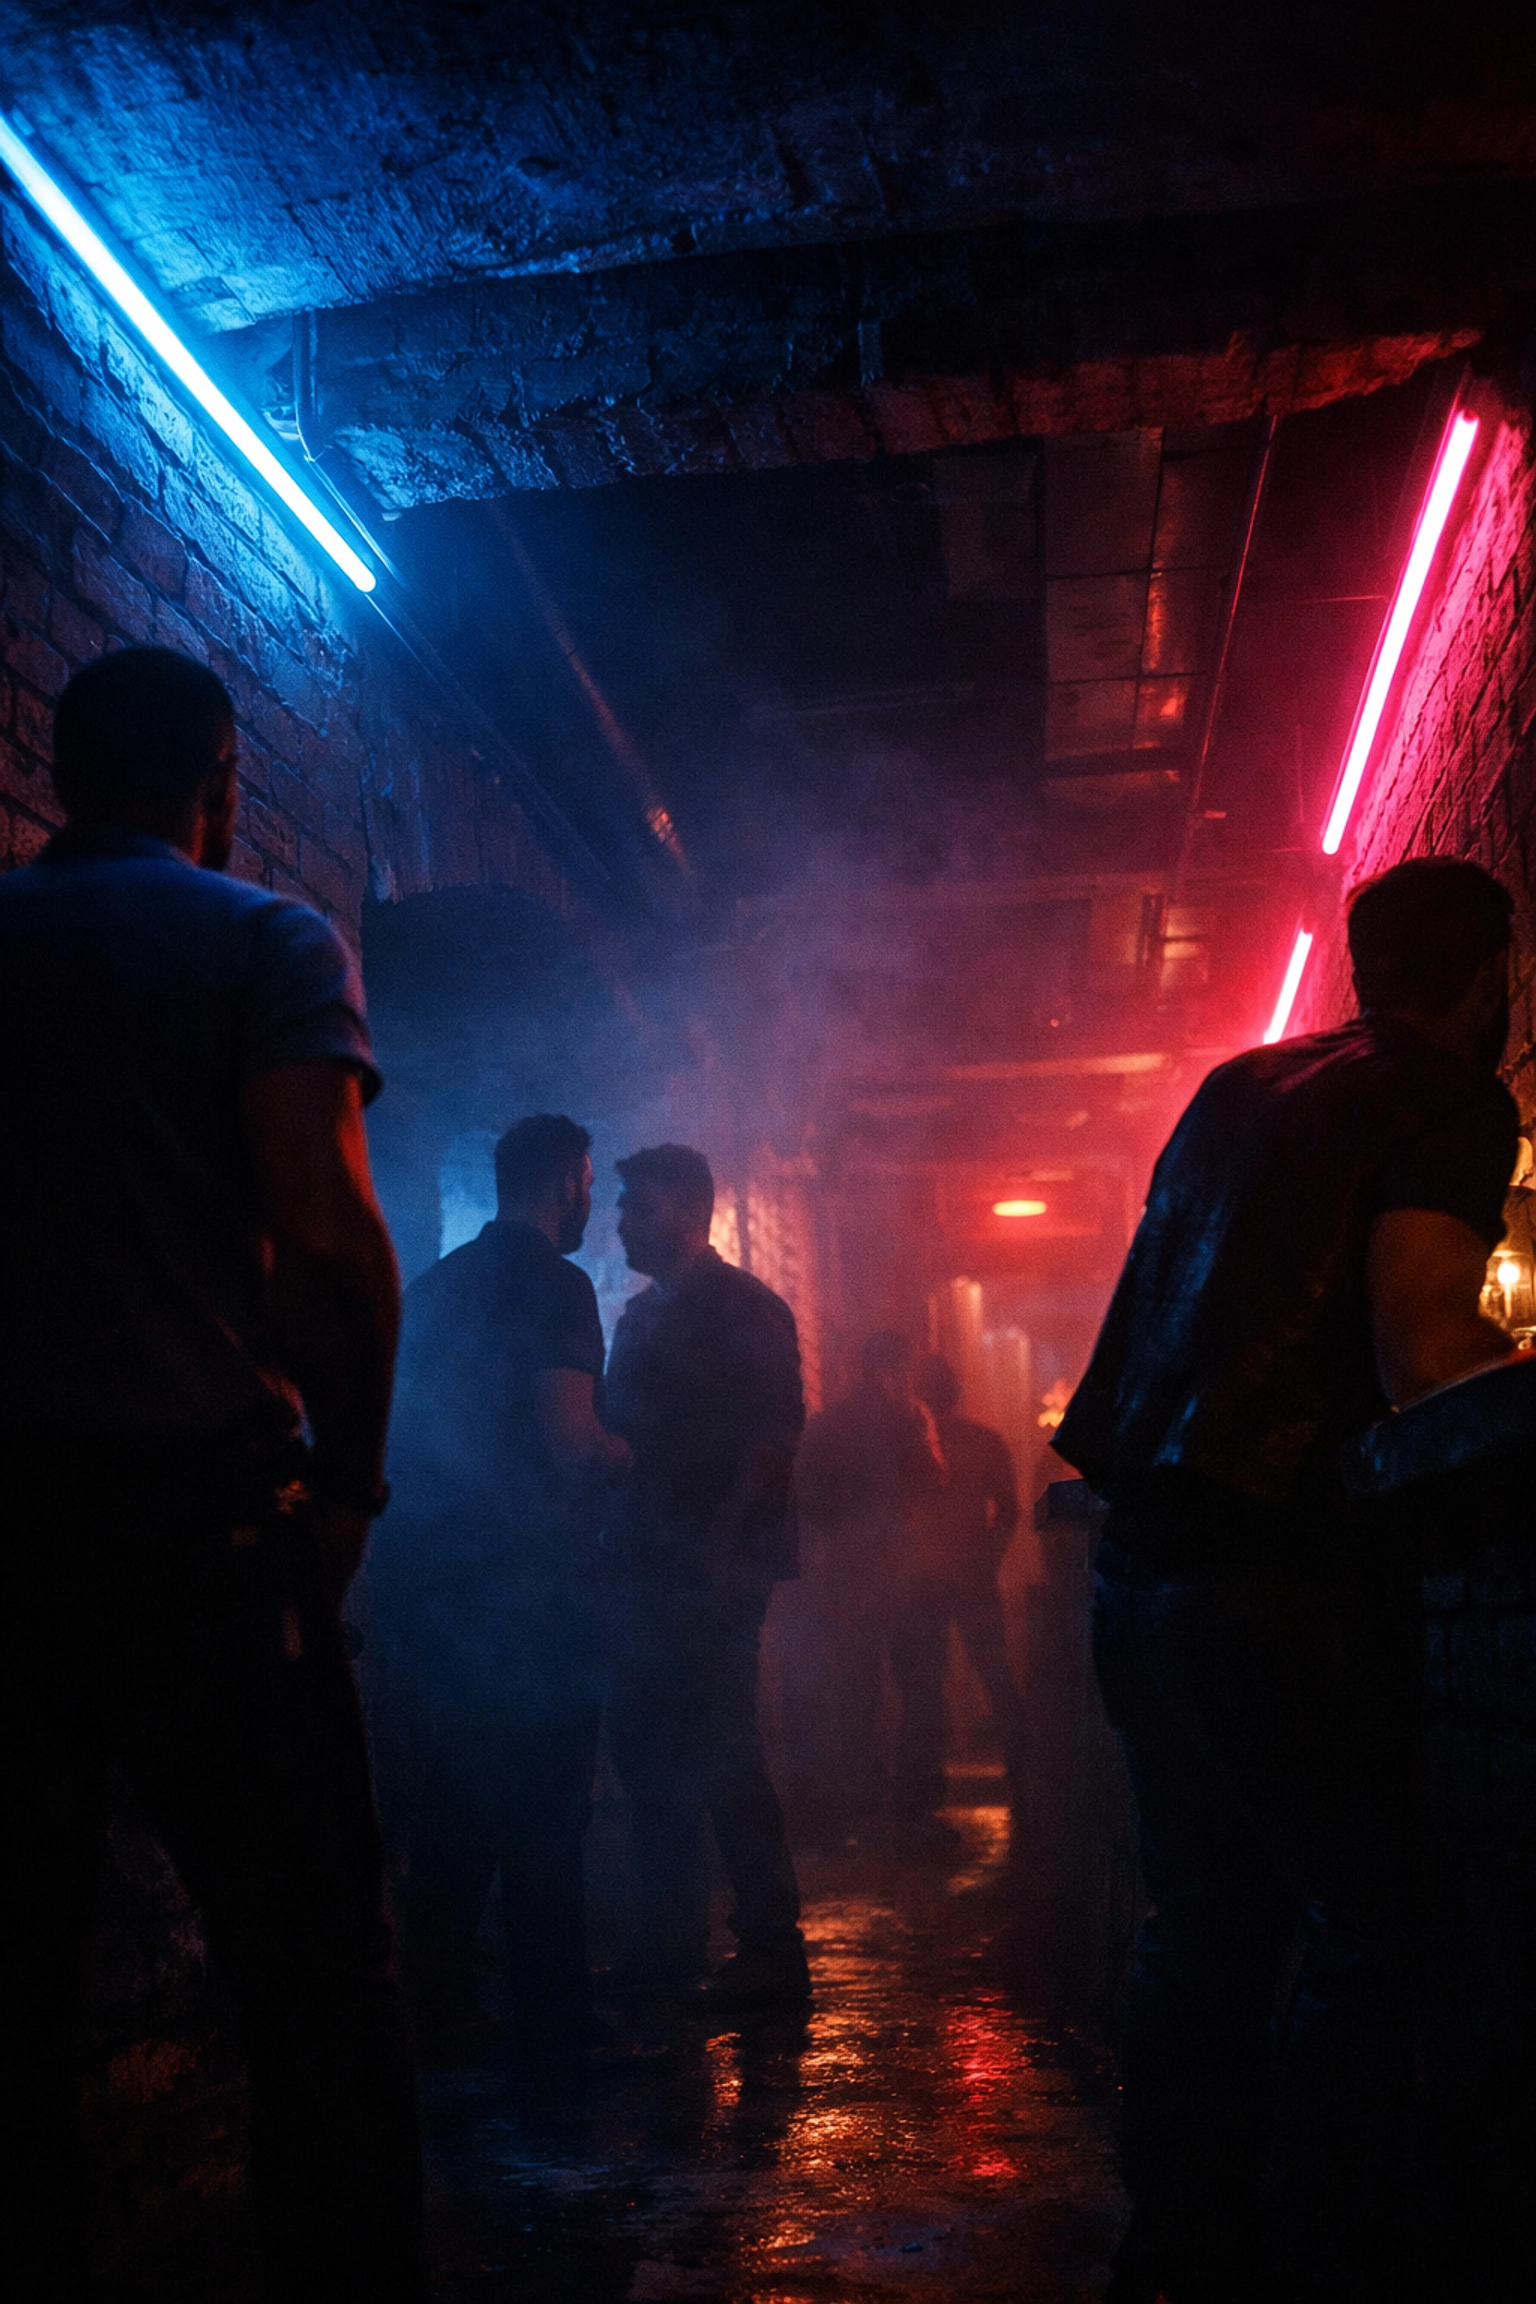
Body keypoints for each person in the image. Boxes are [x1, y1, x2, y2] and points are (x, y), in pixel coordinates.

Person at [0, 647, 422, 2302]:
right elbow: (325, 1233)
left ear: (57, 766)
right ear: (226, 781)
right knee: (314, 1968)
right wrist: (351, 1486)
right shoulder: (263, 938)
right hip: (204, 1528)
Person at [1054, 857, 1520, 2304]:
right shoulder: (1446, 1094)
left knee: (1200, 1925)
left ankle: (1179, 2255)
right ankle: (1326, 2267)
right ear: (1493, 977)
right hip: (1283, 1583)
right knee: (1368, 1933)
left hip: (1144, 1575)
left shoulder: (1236, 1090)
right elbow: (1427, 1355)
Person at [372, 1115, 630, 2065]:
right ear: (568, 1181)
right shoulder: (558, 1287)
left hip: (439, 1591)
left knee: (458, 1801)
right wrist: (628, 1453)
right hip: (535, 1596)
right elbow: (570, 1442)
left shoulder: (434, 1287)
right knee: (547, 1810)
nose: (594, 1204)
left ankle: (433, 2007)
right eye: (591, 1184)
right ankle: (558, 2031)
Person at [603, 1144, 810, 2008]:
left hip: (711, 1567)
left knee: (723, 1750)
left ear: (686, 1213)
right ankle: (673, 1939)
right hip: (653, 1565)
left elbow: (770, 1442)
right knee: (652, 1752)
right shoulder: (642, 1320)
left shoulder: (743, 1309)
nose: (620, 1223)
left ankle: (770, 1946)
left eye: (637, 1209)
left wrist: (725, 1553)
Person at [793, 1332, 948, 1832]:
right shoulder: (908, 1418)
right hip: (903, 1570)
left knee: (857, 1690)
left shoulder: (826, 1424)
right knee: (920, 1688)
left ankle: (863, 1801)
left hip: (847, 1572)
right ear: (895, 1369)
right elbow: (932, 1483)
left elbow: (807, 1498)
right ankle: (915, 1804)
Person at [911, 1355, 1025, 1788]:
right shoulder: (985, 1441)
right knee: (994, 1671)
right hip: (968, 1574)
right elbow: (1009, 1510)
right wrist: (987, 1556)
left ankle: (926, 1778)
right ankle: (1020, 1764)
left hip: (926, 1577)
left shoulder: (912, 1442)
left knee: (926, 1679)